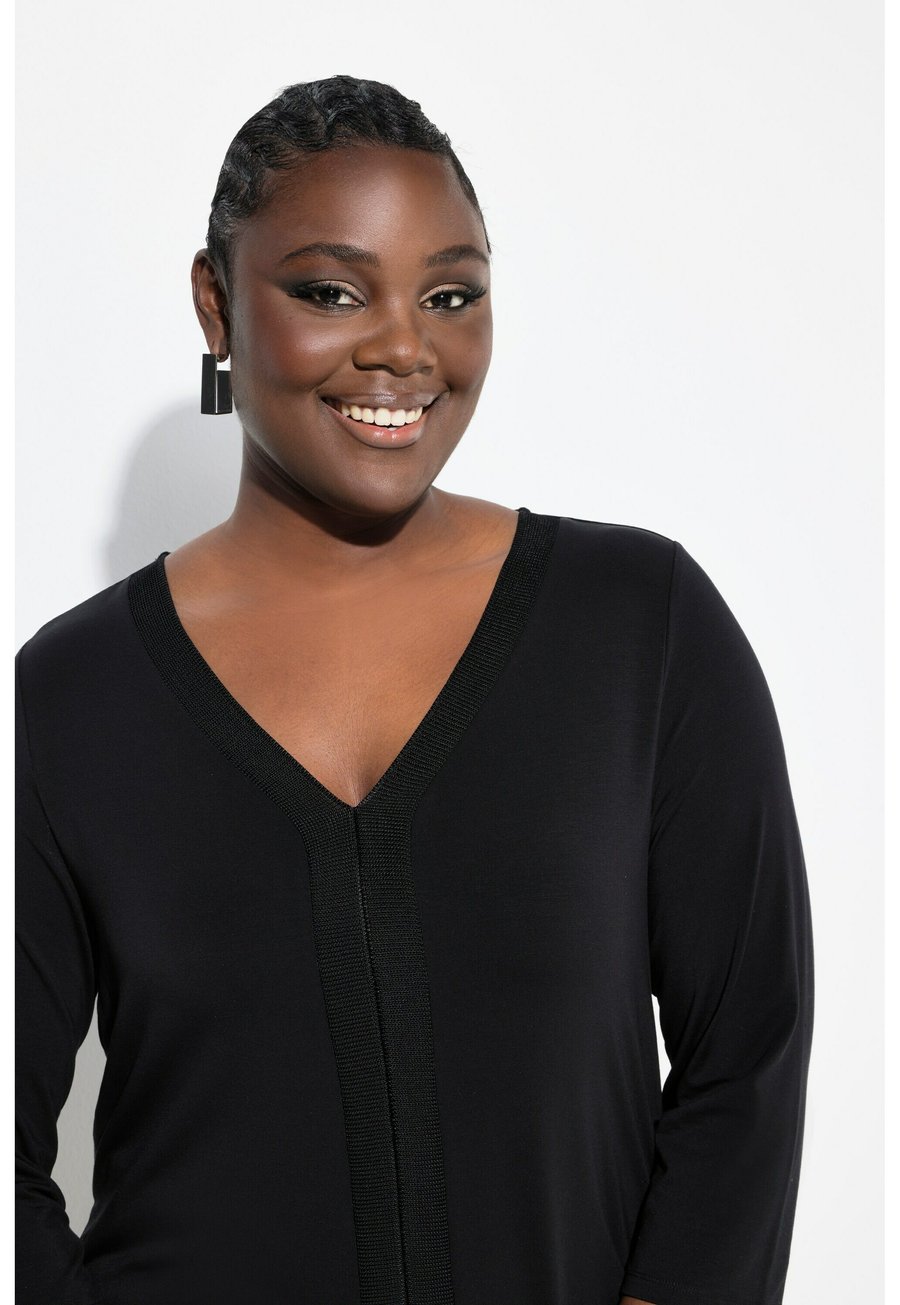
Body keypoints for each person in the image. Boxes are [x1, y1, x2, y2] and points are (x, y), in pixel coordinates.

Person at [15, 75, 814, 1305]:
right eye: (331, 292)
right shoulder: (69, 698)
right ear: (216, 303)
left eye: (451, 295)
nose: (403, 347)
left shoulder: (639, 626)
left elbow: (748, 1049)